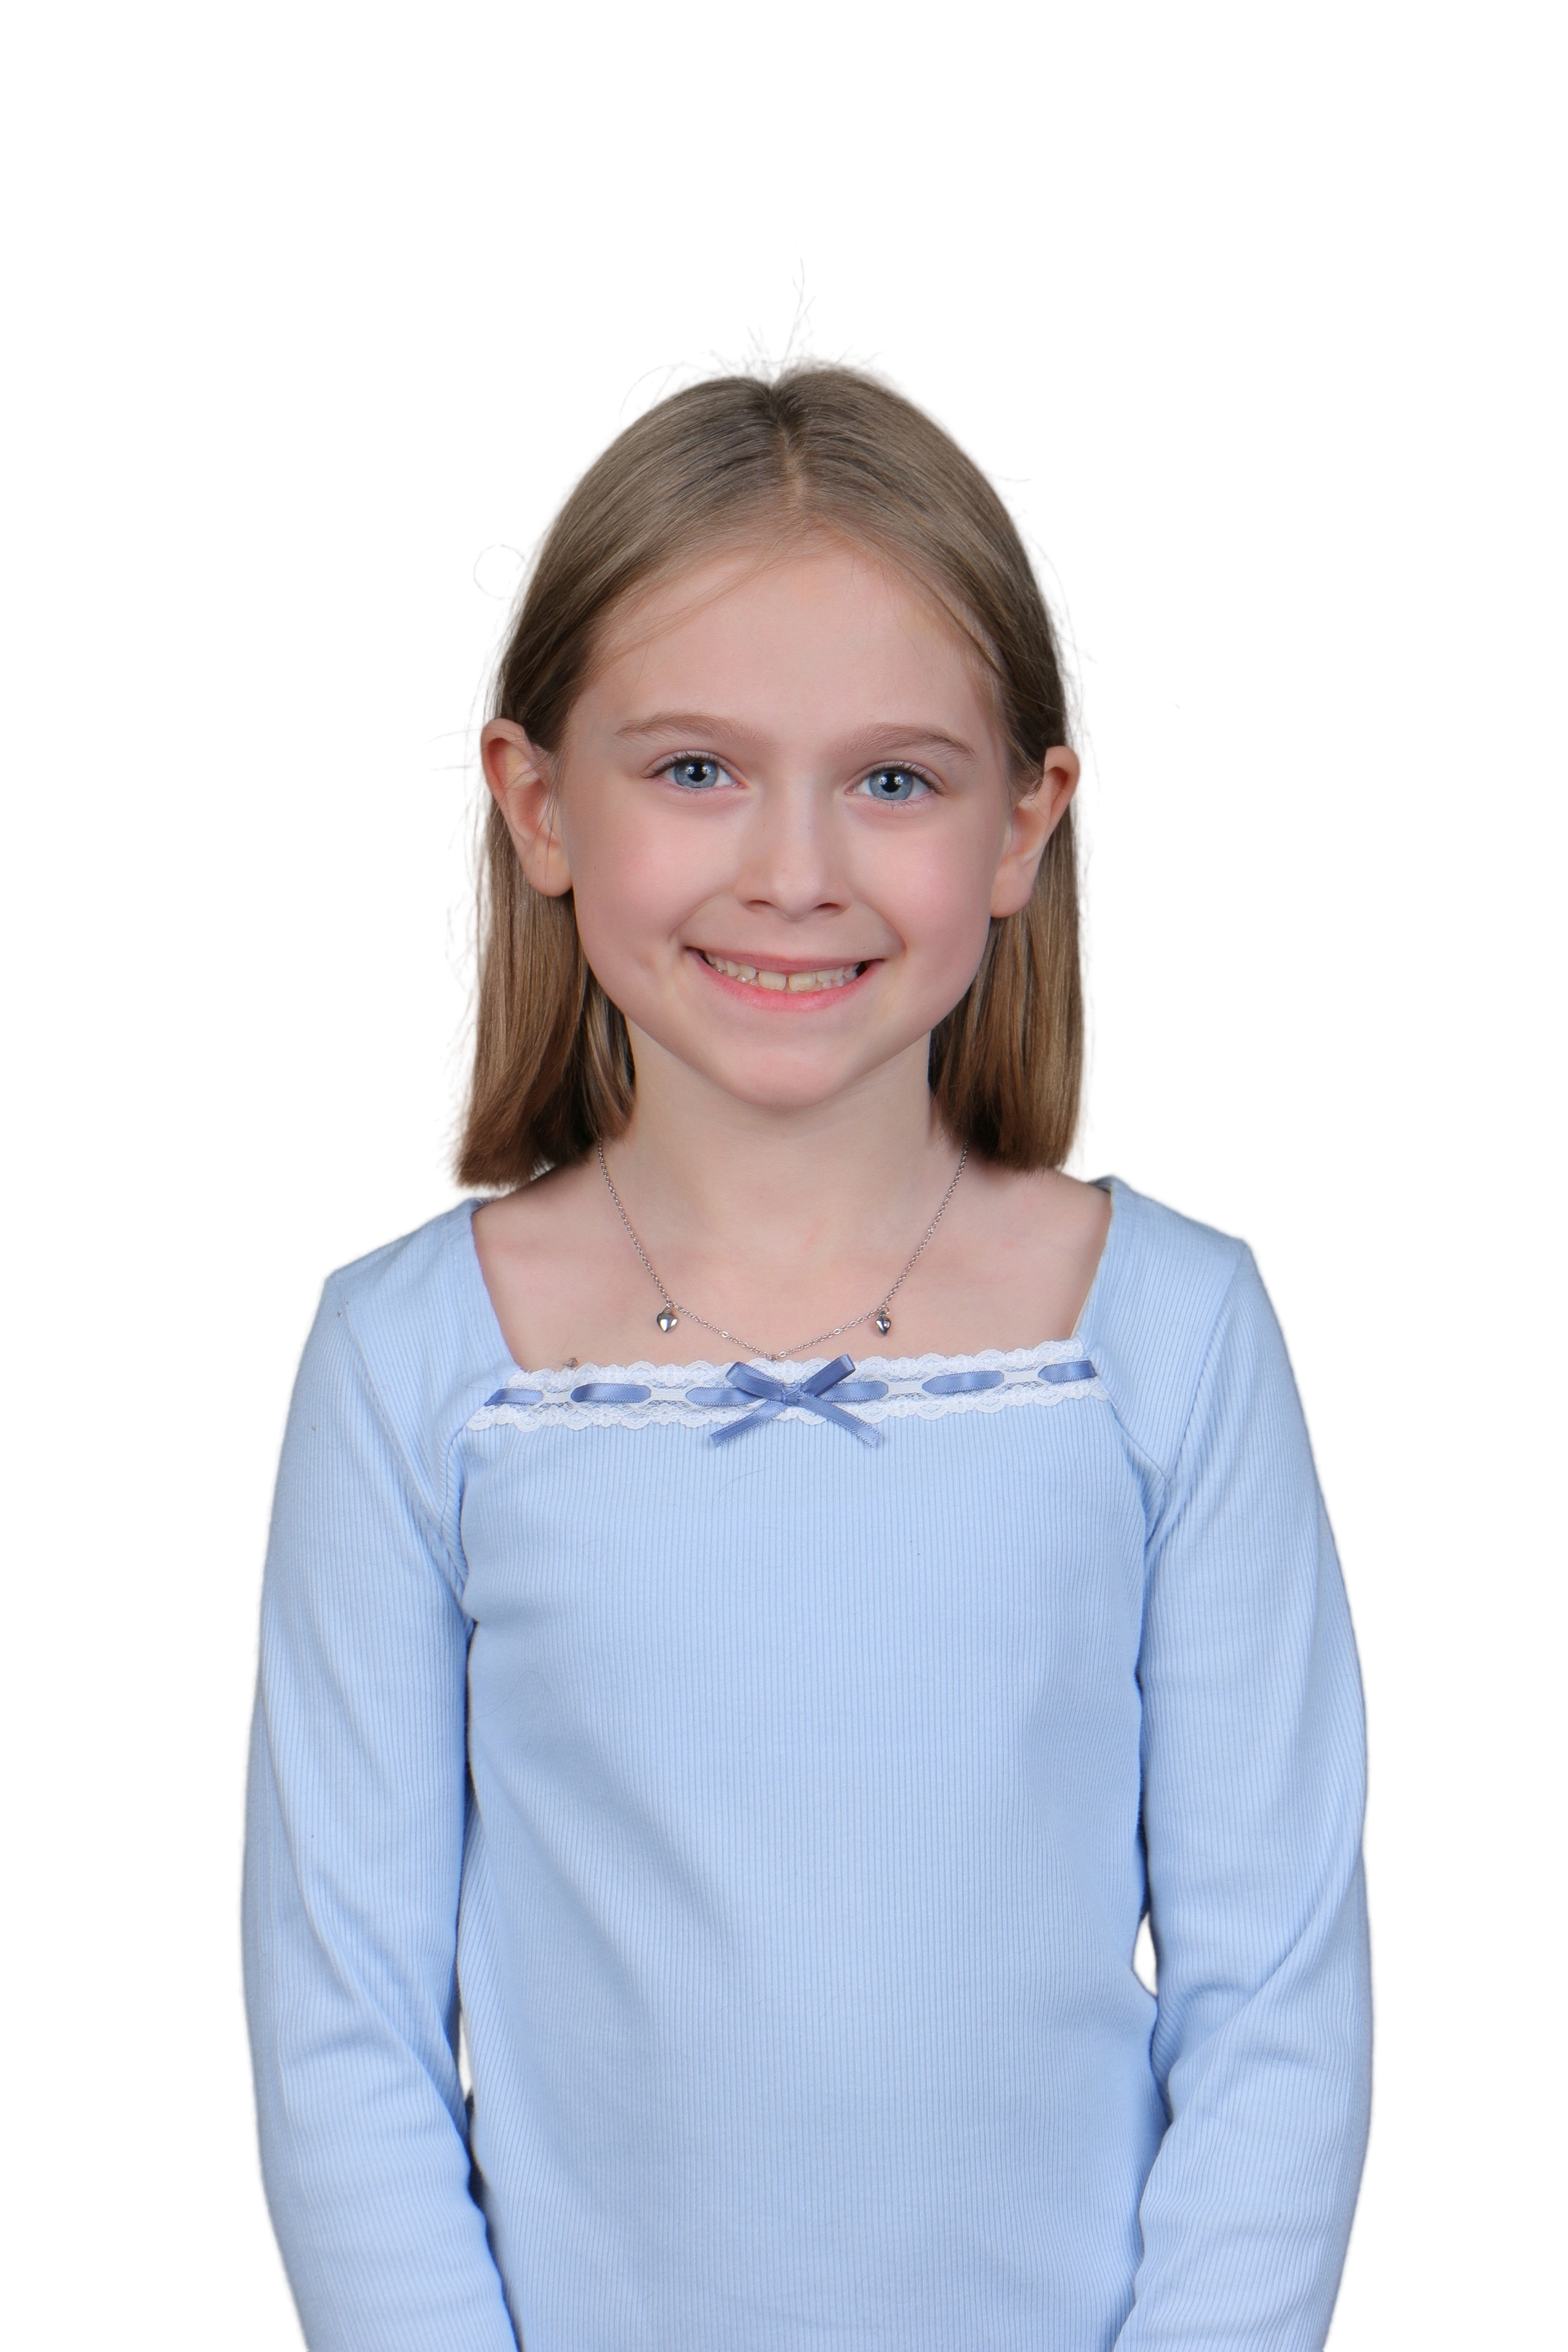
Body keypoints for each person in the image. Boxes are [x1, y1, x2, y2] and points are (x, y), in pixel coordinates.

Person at [235, 300, 1376, 2352]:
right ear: (537, 802)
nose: (794, 872)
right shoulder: (409, 1362)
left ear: (1022, 822)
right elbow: (343, 2024)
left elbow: (1279, 1997)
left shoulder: (1173, 1336)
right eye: (696, 768)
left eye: (892, 780)